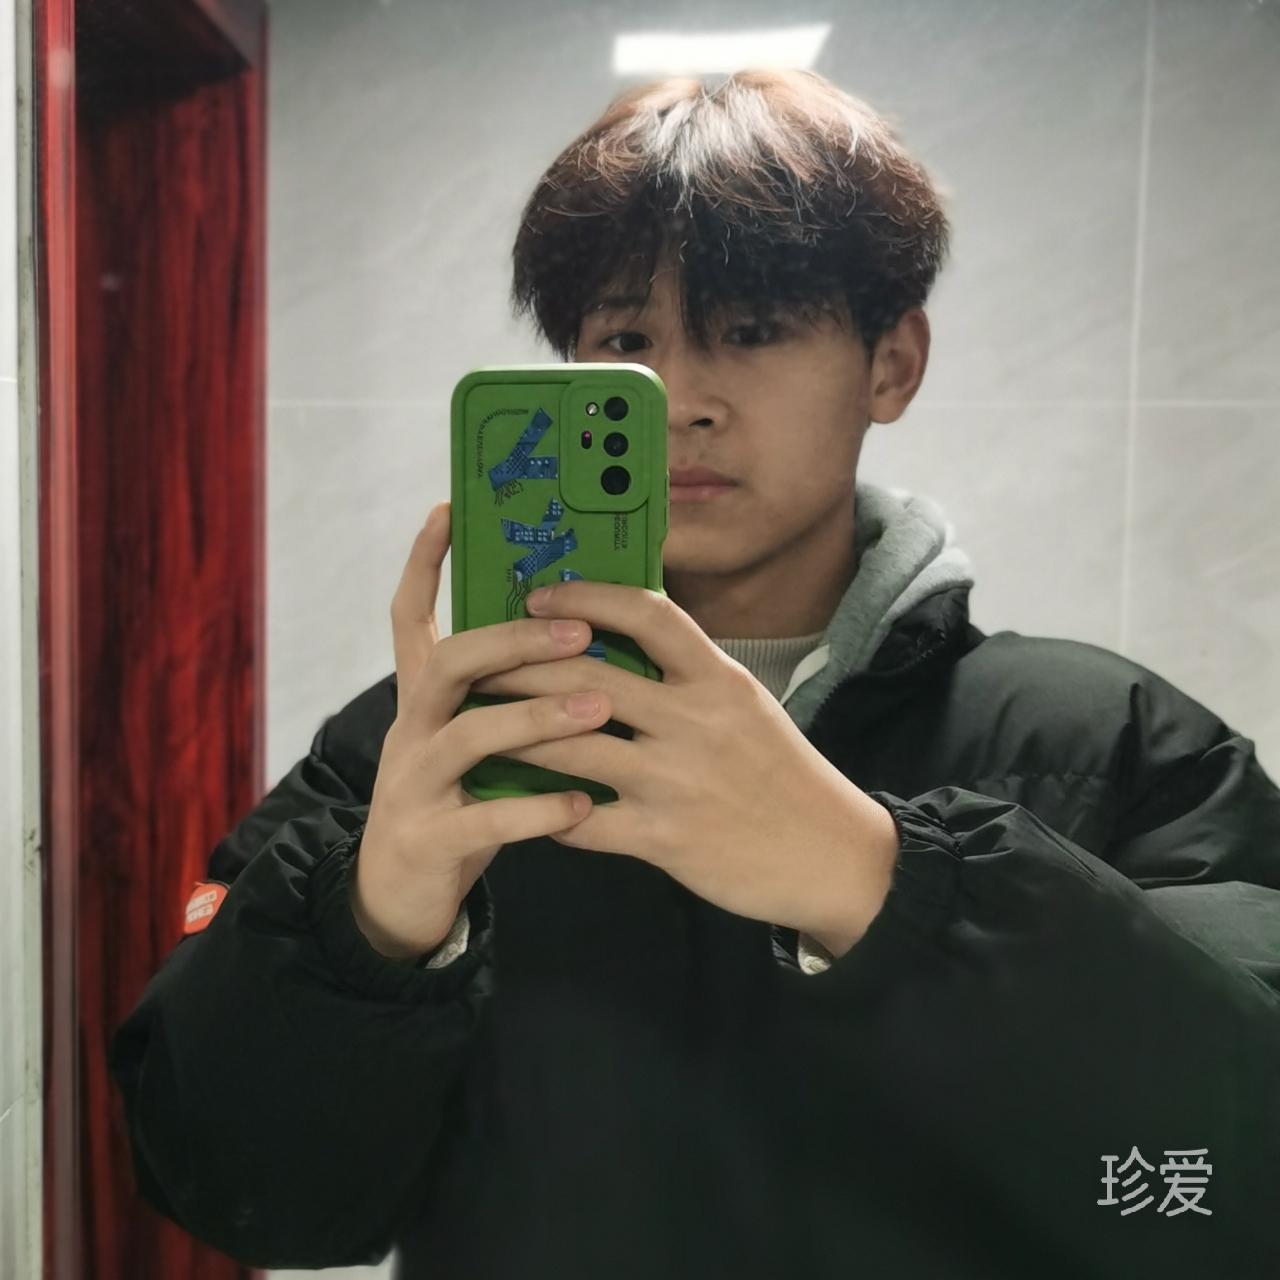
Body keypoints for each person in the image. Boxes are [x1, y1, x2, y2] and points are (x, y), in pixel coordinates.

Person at [110, 69, 1280, 1278]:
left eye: (753, 329)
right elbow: (233, 1191)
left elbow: (1231, 1195)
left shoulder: (1111, 743)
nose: (680, 401)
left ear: (890, 362)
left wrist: (883, 883)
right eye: (626, 341)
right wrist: (371, 929)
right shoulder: (423, 748)